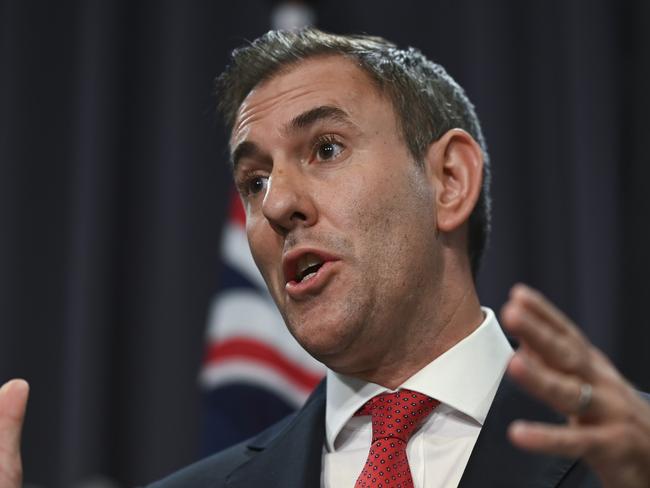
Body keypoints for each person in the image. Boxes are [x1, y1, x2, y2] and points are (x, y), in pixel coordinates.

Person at [1, 28, 649, 488]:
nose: (278, 203)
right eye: (253, 181)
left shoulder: (630, 458)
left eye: (327, 149)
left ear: (449, 180)